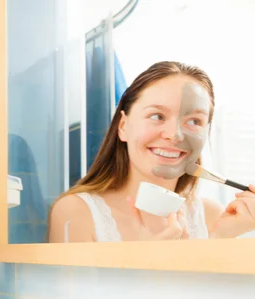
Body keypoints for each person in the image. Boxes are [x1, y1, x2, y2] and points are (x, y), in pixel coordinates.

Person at [49, 61, 255, 243]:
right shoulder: (76, 213)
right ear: (123, 126)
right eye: (157, 116)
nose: (174, 135)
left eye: (194, 121)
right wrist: (145, 259)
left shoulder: (213, 217)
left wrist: (219, 239)